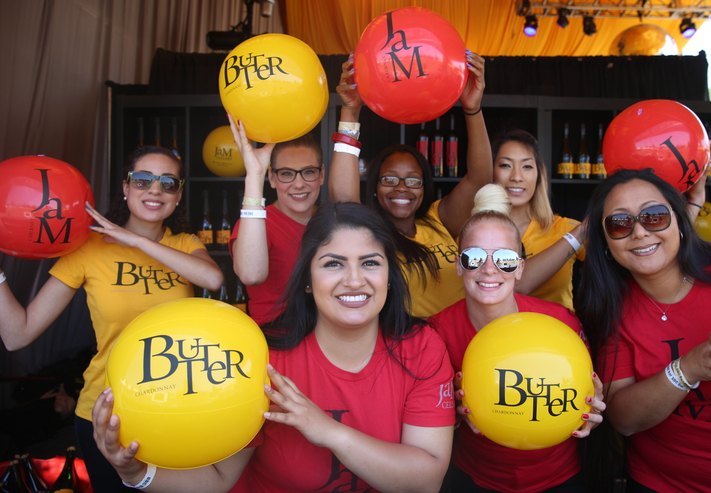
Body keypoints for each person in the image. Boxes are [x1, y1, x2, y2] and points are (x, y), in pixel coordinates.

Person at [92, 201, 456, 493]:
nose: (354, 279)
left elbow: (426, 481)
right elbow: (218, 479)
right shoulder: (262, 358)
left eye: (370, 263)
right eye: (333, 264)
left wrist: (328, 431)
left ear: (389, 278)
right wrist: (136, 472)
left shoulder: (421, 349)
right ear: (308, 281)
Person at [0, 145, 225, 492]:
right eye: (143, 180)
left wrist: (134, 240)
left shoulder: (185, 244)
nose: (155, 189)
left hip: (177, 409)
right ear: (125, 187)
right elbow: (19, 334)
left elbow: (212, 279)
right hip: (106, 413)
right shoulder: (89, 248)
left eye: (168, 183)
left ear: (178, 196)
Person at [576, 168, 711, 493]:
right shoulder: (611, 306)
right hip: (664, 483)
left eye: (653, 216)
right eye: (620, 223)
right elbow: (624, 420)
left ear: (680, 222)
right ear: (606, 242)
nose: (639, 232)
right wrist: (689, 368)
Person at [429, 184, 605, 493]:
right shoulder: (435, 334)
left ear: (520, 268)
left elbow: (587, 394)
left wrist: (593, 406)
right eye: (473, 257)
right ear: (458, 264)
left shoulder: (561, 322)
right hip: (474, 479)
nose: (489, 269)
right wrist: (448, 413)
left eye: (505, 259)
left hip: (560, 478)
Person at [330, 51, 493, 318]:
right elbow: (342, 200)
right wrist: (350, 111)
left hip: (461, 339)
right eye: (390, 179)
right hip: (411, 348)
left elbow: (480, 178)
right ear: (375, 185)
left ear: (424, 186)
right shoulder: (370, 231)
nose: (402, 188)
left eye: (413, 180)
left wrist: (472, 107)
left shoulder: (439, 218)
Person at [227, 115, 325, 324]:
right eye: (287, 174)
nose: (299, 184)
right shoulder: (258, 225)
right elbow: (251, 275)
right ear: (271, 178)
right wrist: (254, 175)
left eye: (308, 172)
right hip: (279, 340)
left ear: (322, 175)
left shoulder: (328, 224)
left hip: (327, 341)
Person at [490, 130, 585, 309]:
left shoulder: (565, 227)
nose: (516, 177)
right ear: (491, 171)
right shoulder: (475, 233)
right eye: (505, 165)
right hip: (497, 335)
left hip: (559, 335)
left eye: (527, 166)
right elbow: (516, 285)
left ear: (538, 175)